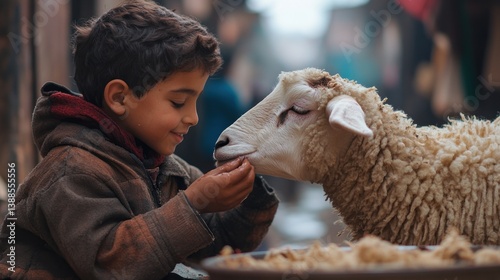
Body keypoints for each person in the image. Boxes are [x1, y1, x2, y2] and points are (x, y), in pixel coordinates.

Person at [0, 1, 279, 279]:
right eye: (178, 102)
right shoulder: (71, 172)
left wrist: (250, 195)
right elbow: (111, 265)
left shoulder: (168, 170)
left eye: (195, 101)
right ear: (120, 98)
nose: (193, 117)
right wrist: (192, 205)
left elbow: (221, 246)